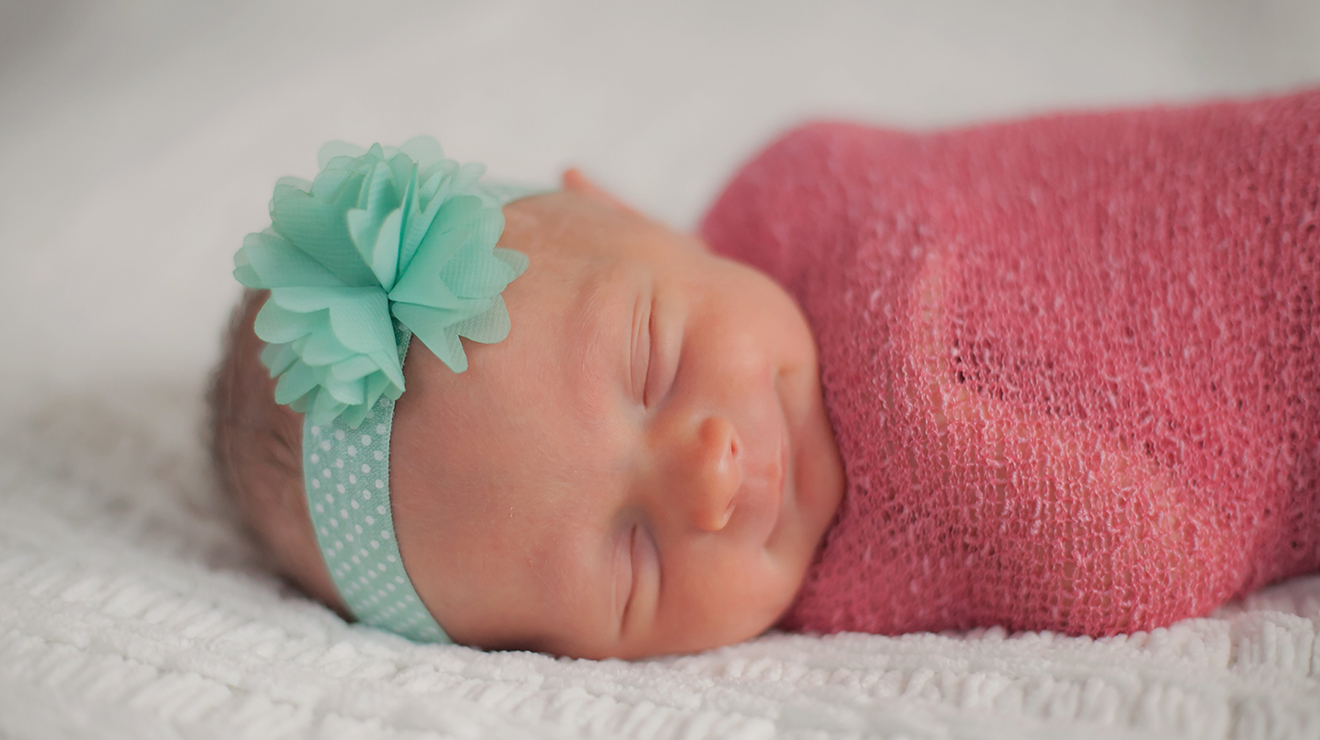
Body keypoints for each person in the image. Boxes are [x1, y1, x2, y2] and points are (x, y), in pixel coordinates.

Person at [211, 89, 1320, 660]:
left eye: (653, 359)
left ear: (630, 214)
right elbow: (1133, 549)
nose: (707, 477)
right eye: (634, 560)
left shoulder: (816, 200)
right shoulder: (842, 594)